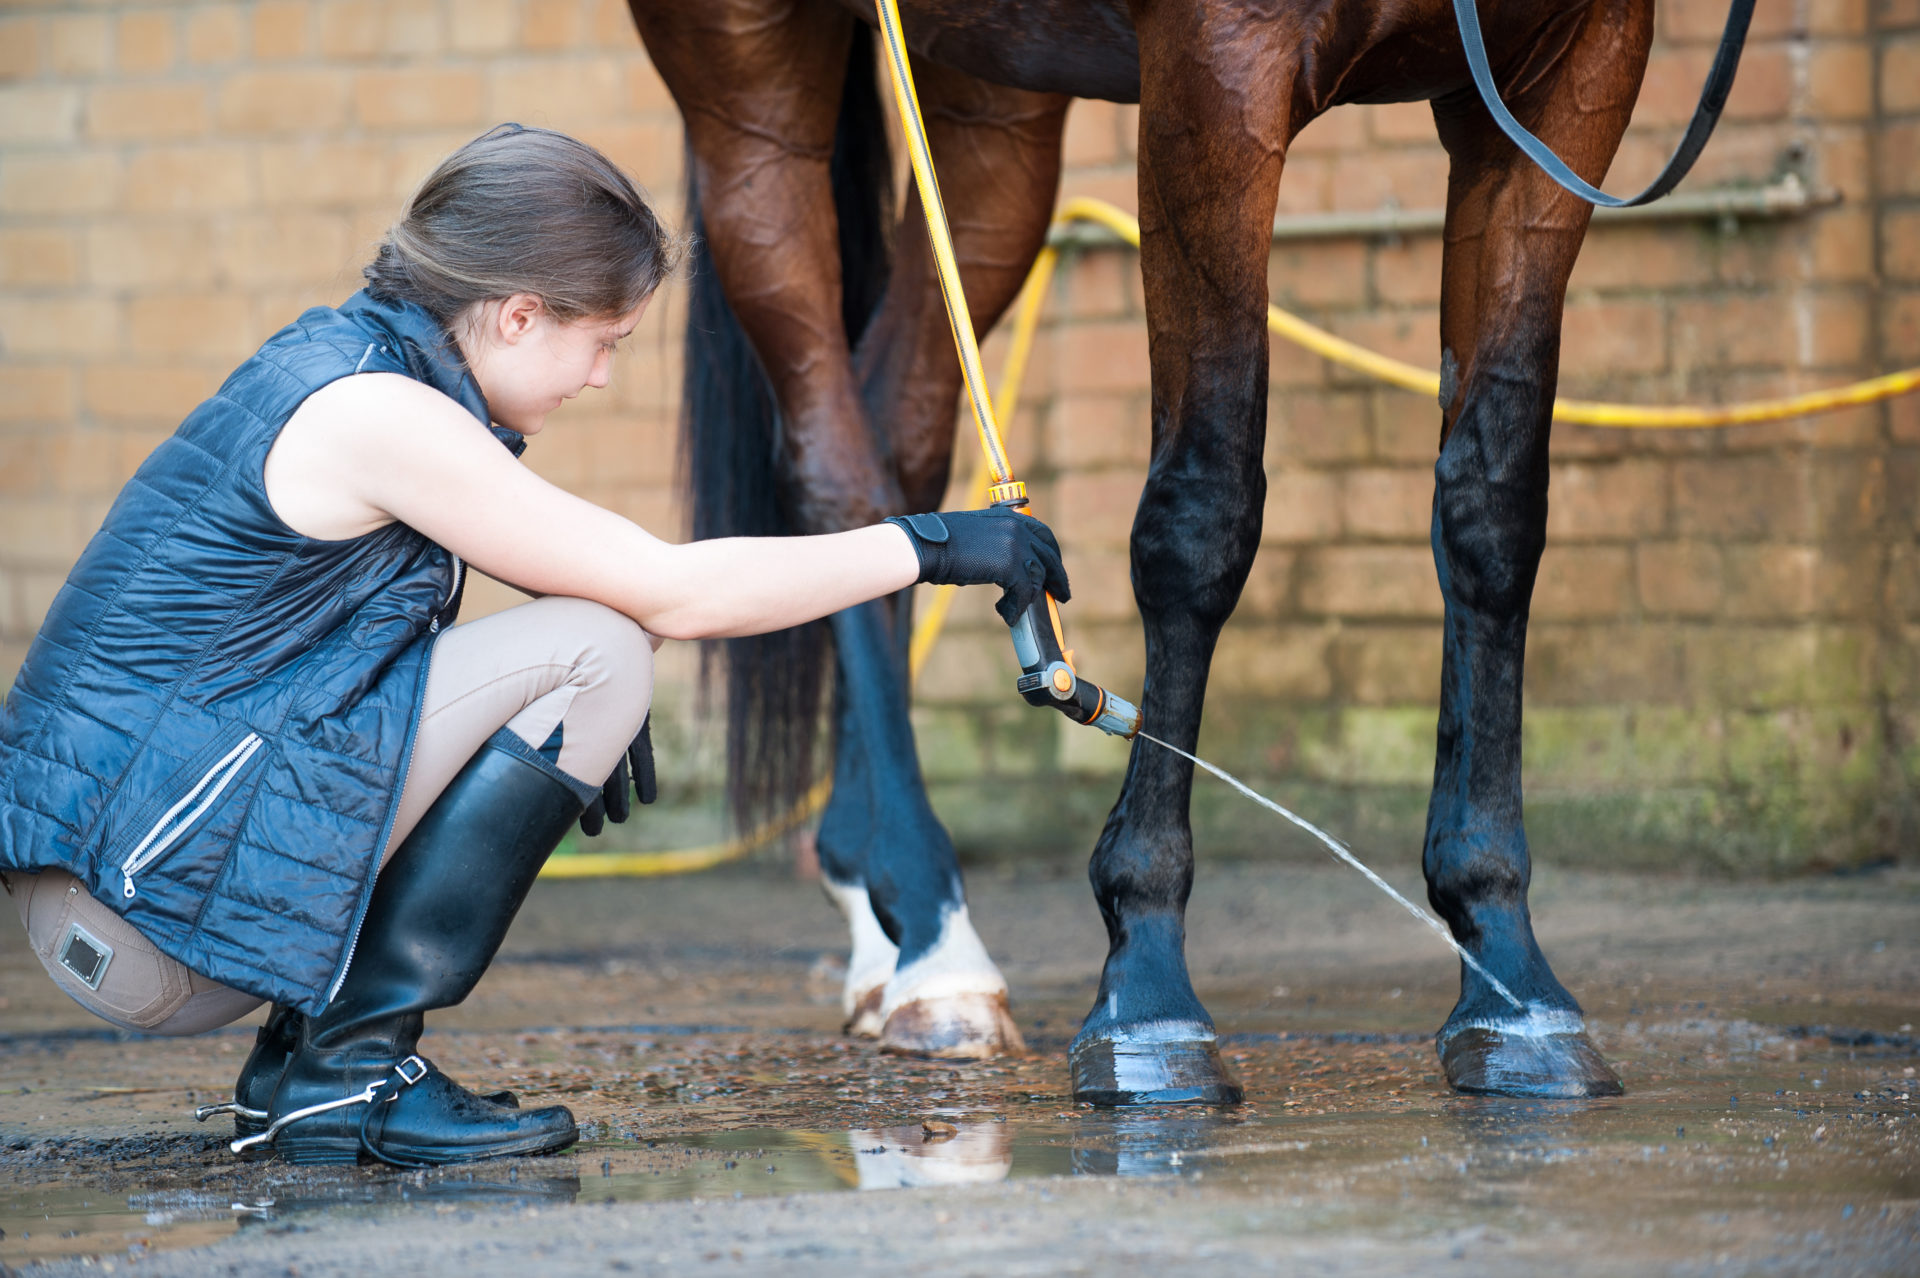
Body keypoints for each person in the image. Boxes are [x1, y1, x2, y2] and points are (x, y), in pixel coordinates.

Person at [0, 124, 1068, 1168]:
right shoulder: (378, 414)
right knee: (599, 649)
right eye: (604, 340)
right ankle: (345, 1076)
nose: (602, 374)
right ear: (518, 315)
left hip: (125, 889)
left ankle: (305, 1078)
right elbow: (677, 593)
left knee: (593, 647)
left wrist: (534, 748)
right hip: (140, 921)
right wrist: (929, 544)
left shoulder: (351, 366)